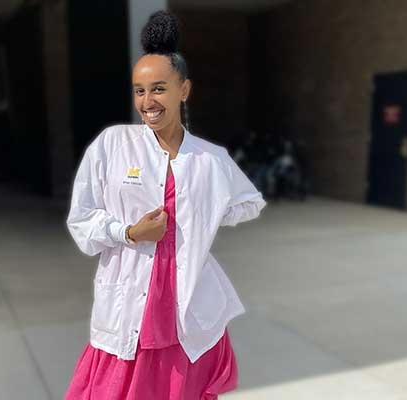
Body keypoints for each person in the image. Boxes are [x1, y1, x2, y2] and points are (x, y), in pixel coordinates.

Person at [64, 10, 266, 400]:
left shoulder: (210, 157)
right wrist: (129, 232)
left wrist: (207, 214)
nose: (147, 101)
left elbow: (249, 203)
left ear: (184, 90)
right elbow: (82, 220)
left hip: (187, 307)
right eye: (139, 91)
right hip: (128, 306)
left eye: (158, 88)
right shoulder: (113, 144)